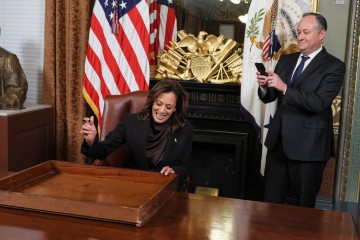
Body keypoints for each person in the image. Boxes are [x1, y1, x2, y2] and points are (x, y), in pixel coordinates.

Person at [256, 13, 345, 208]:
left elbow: (318, 102)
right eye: (298, 32)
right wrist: (265, 86)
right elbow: (272, 97)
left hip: (309, 148)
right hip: (279, 144)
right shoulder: (287, 60)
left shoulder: (334, 66)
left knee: (303, 210)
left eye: (306, 32)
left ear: (322, 34)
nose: (300, 36)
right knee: (270, 206)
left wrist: (284, 87)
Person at [80, 79, 193, 190]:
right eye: (159, 103)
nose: (162, 110)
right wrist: (91, 140)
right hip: (132, 187)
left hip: (163, 189)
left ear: (175, 108)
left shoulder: (184, 130)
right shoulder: (131, 122)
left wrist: (174, 170)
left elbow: (186, 167)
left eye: (168, 107)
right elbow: (103, 150)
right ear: (153, 101)